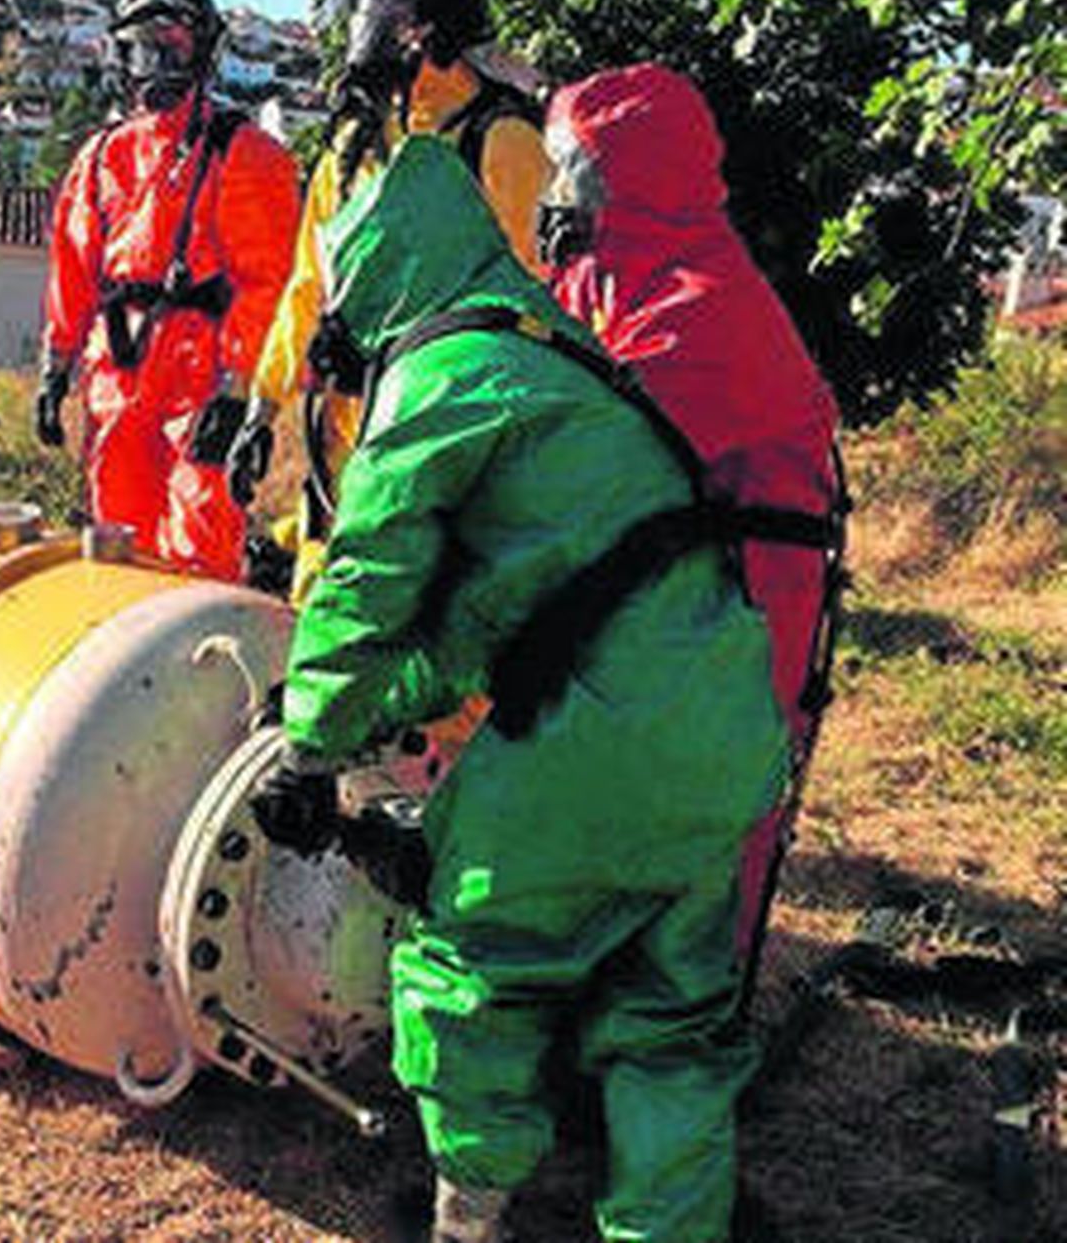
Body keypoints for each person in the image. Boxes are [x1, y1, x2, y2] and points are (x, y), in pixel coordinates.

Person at [250, 134, 790, 1243]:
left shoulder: (441, 372)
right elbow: (493, 619)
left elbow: (366, 577)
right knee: (670, 1015)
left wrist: (307, 745)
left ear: (374, 283)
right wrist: (364, 712)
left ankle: (468, 1221)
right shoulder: (556, 355)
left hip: (604, 741)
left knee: (471, 968)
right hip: (727, 723)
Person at [542, 63, 843, 961]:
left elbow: (579, 452)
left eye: (579, 171)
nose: (561, 193)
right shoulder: (608, 279)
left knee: (696, 830)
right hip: (664, 603)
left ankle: (678, 1043)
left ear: (641, 177)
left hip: (739, 618)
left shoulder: (704, 308)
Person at [226, 0, 549, 598]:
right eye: (359, 6)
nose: (360, 27)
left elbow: (529, 321)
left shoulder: (501, 144)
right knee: (323, 625)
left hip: (444, 461)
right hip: (340, 450)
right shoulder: (351, 145)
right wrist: (262, 403)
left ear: (428, 21)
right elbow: (308, 288)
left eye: (378, 5)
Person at [36, 0, 300, 580]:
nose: (155, 65)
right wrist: (55, 366)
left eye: (172, 48)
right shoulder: (101, 156)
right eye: (140, 49)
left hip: (201, 371)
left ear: (202, 52)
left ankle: (201, 667)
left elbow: (269, 284)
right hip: (117, 368)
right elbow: (74, 268)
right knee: (115, 546)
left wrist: (239, 394)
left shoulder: (248, 154)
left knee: (201, 540)